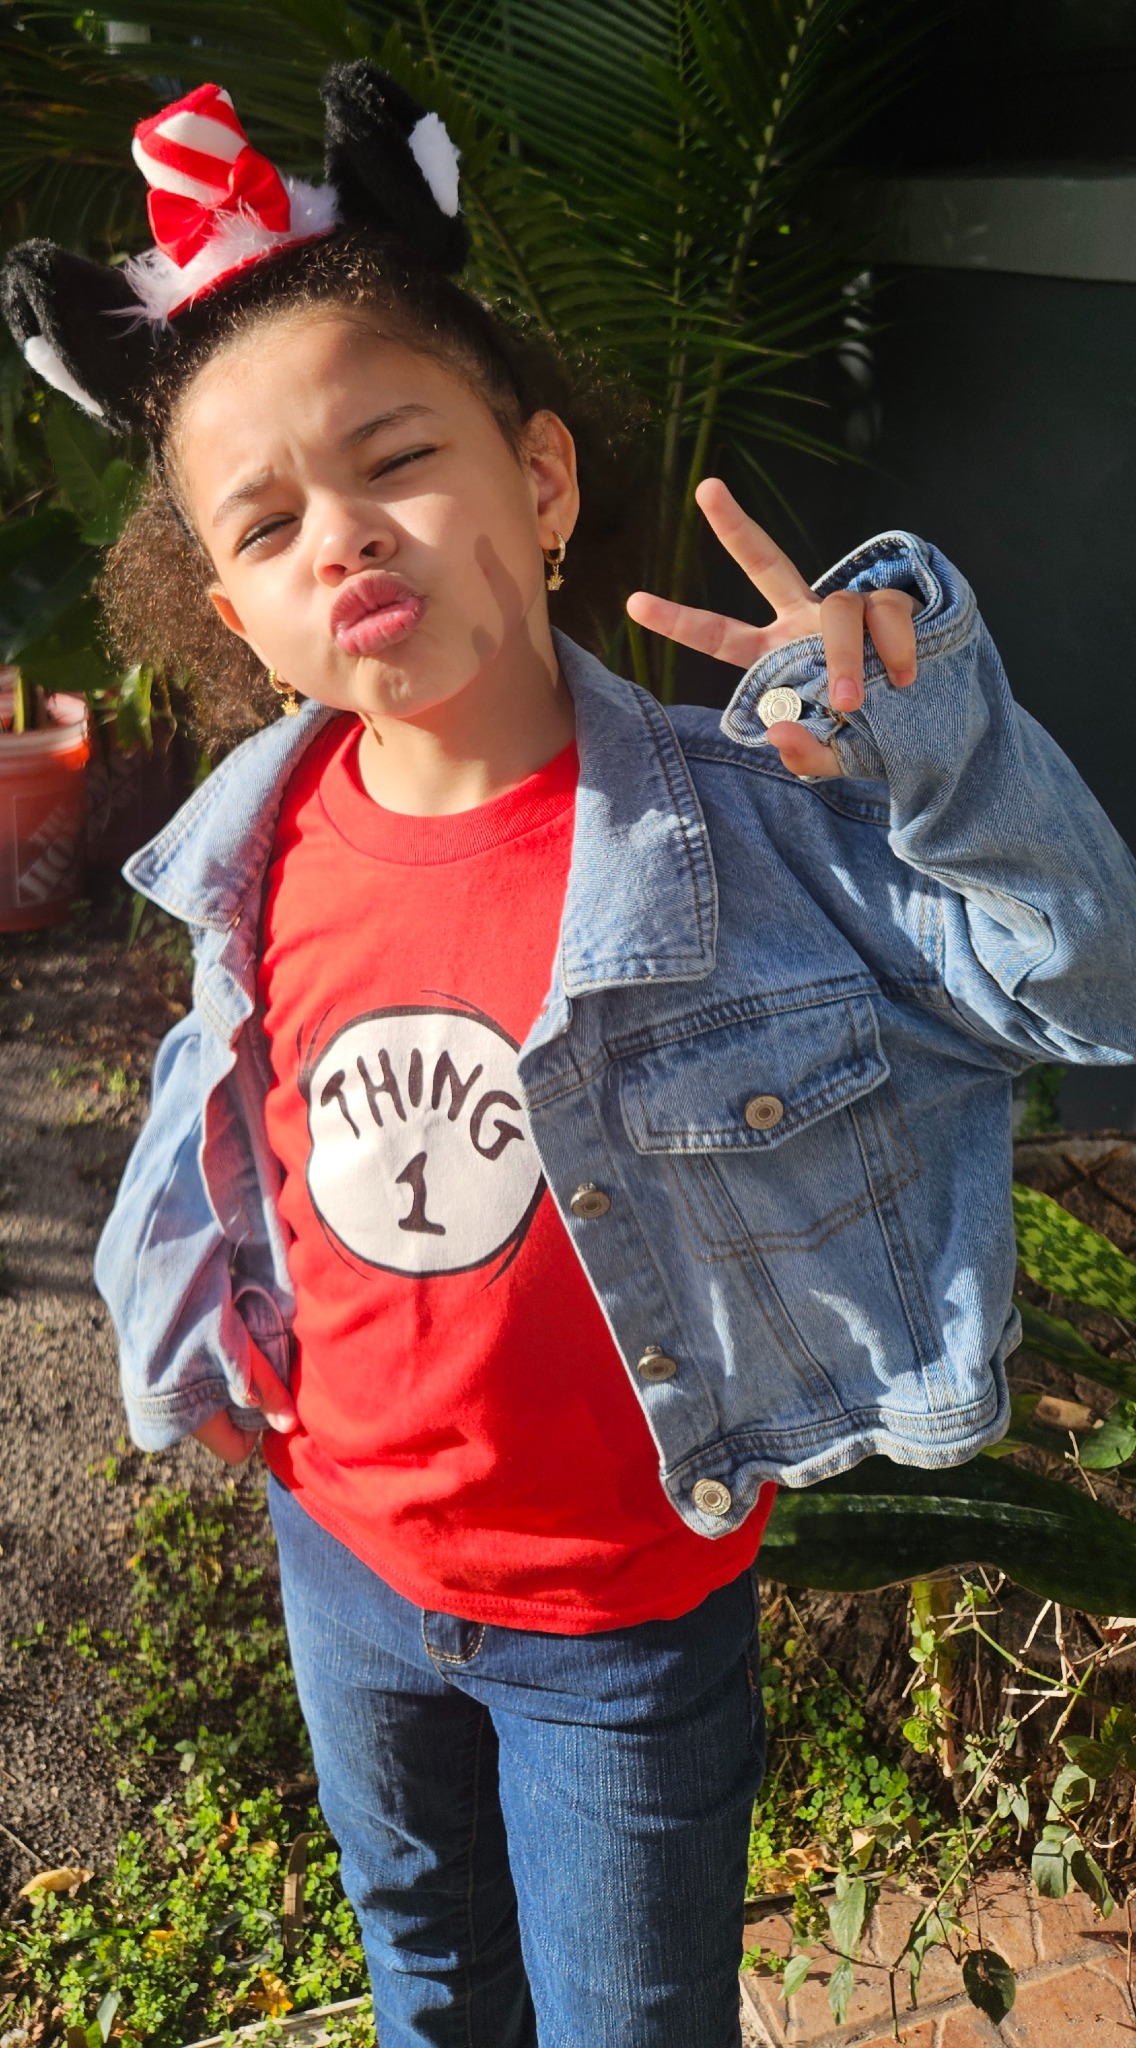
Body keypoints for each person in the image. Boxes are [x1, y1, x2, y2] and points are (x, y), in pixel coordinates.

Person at [5, 60, 1134, 2048]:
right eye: (266, 523)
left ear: (537, 481)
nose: (341, 537)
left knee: (627, 2017)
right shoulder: (247, 850)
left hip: (617, 1620)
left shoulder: (756, 826)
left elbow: (1079, 988)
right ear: (235, 615)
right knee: (426, 1973)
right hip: (342, 1564)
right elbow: (238, 1120)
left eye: (395, 457)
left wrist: (928, 742)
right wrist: (203, 1345)